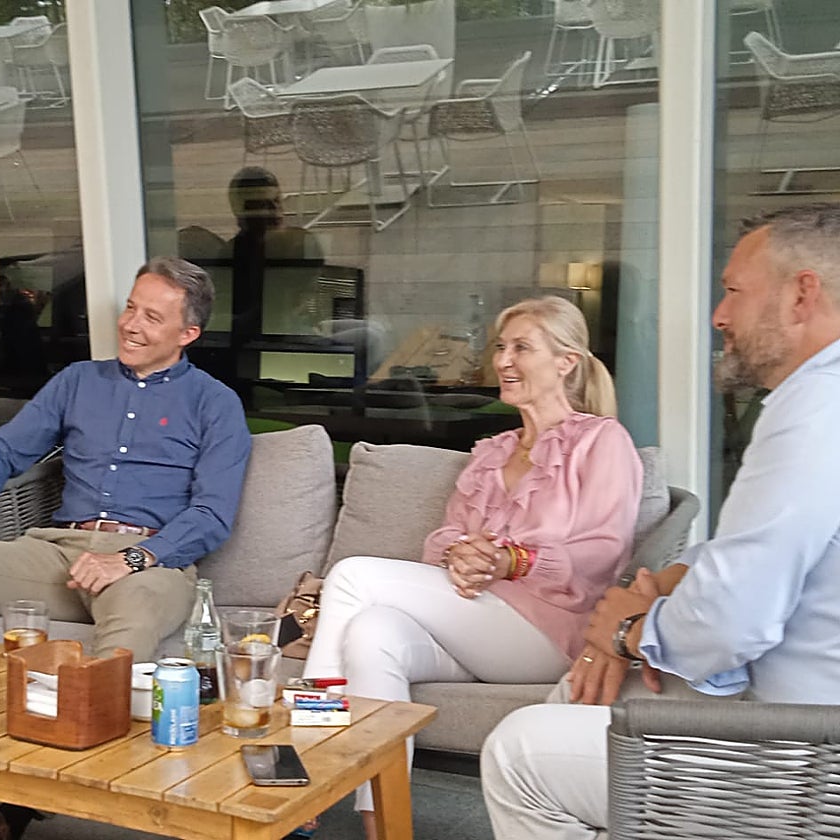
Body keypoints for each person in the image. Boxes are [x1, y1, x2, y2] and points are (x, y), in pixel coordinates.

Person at [480, 203, 840, 840]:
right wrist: (658, 589)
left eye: (733, 291)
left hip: (805, 755)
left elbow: (729, 624)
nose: (718, 315)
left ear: (801, 294)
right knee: (587, 693)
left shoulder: (813, 414)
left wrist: (624, 632)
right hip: (781, 706)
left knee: (520, 754)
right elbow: (739, 563)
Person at [0, 256, 251, 840]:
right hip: (57, 552)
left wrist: (129, 559)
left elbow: (213, 514)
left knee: (130, 621)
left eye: (153, 317)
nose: (131, 324)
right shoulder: (78, 383)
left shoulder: (215, 404)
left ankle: (64, 791)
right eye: (131, 307)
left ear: (188, 334)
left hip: (149, 562)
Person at [302, 295, 642, 840]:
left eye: (522, 348)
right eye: (500, 348)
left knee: (351, 577)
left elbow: (603, 548)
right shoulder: (490, 452)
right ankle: (384, 828)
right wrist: (458, 554)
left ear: (566, 361)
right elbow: (445, 534)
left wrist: (515, 559)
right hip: (475, 620)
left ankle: (305, 763)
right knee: (372, 633)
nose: (503, 361)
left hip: (548, 629)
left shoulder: (601, 441)